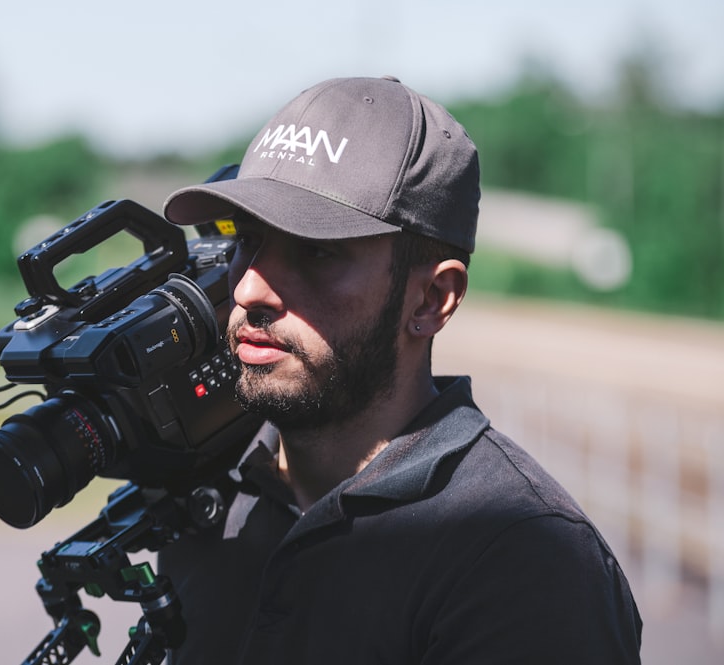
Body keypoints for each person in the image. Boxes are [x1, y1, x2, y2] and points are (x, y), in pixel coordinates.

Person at [157, 76, 643, 664]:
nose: (250, 287)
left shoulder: (522, 562)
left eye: (316, 251)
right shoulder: (210, 492)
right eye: (248, 241)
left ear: (432, 300)